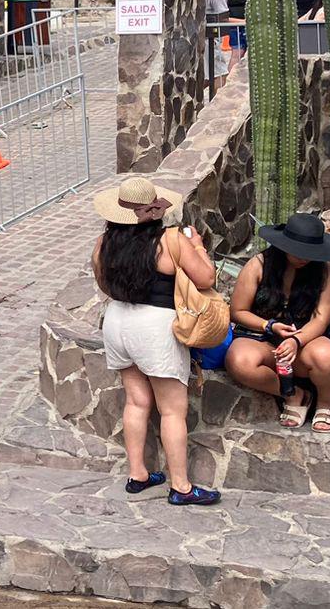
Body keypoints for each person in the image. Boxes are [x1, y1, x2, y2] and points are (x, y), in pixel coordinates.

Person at [91, 177, 221, 505]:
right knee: (172, 410)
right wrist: (199, 248)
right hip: (156, 326)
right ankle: (181, 487)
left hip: (118, 321)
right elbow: (206, 278)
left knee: (136, 401)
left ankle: (138, 474)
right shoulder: (172, 241)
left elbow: (104, 285)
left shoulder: (103, 244)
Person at [226, 212, 330, 434]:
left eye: (309, 252)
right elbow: (238, 311)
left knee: (327, 358)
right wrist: (268, 325)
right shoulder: (259, 264)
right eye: (297, 251)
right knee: (240, 361)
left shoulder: (325, 272)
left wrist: (296, 340)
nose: (303, 257)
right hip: (261, 339)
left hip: (306, 339)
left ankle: (325, 404)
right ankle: (293, 394)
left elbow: (321, 319)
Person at [206, 0, 237, 87]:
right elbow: (223, 19)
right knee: (219, 77)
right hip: (211, 40)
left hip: (206, 38)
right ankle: (216, 107)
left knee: (209, 77)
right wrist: (246, 22)